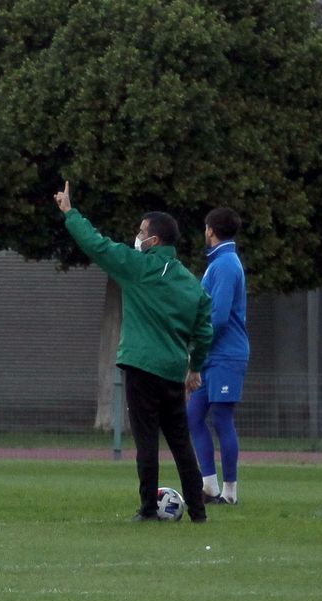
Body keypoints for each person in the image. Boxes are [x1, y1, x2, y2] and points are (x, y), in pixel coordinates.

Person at [55, 182, 212, 523]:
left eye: (141, 232)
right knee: (181, 443)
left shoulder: (139, 268)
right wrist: (194, 369)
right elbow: (204, 332)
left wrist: (70, 212)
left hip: (141, 367)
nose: (137, 237)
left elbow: (97, 245)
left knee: (146, 442)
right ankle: (198, 512)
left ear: (154, 240)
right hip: (173, 371)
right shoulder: (191, 284)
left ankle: (148, 509)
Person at [189, 207, 248, 506]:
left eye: (205, 227)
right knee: (193, 415)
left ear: (211, 230)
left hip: (226, 354)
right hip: (212, 354)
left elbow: (220, 316)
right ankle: (209, 487)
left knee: (222, 418)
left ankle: (230, 492)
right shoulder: (218, 262)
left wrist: (198, 343)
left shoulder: (225, 264)